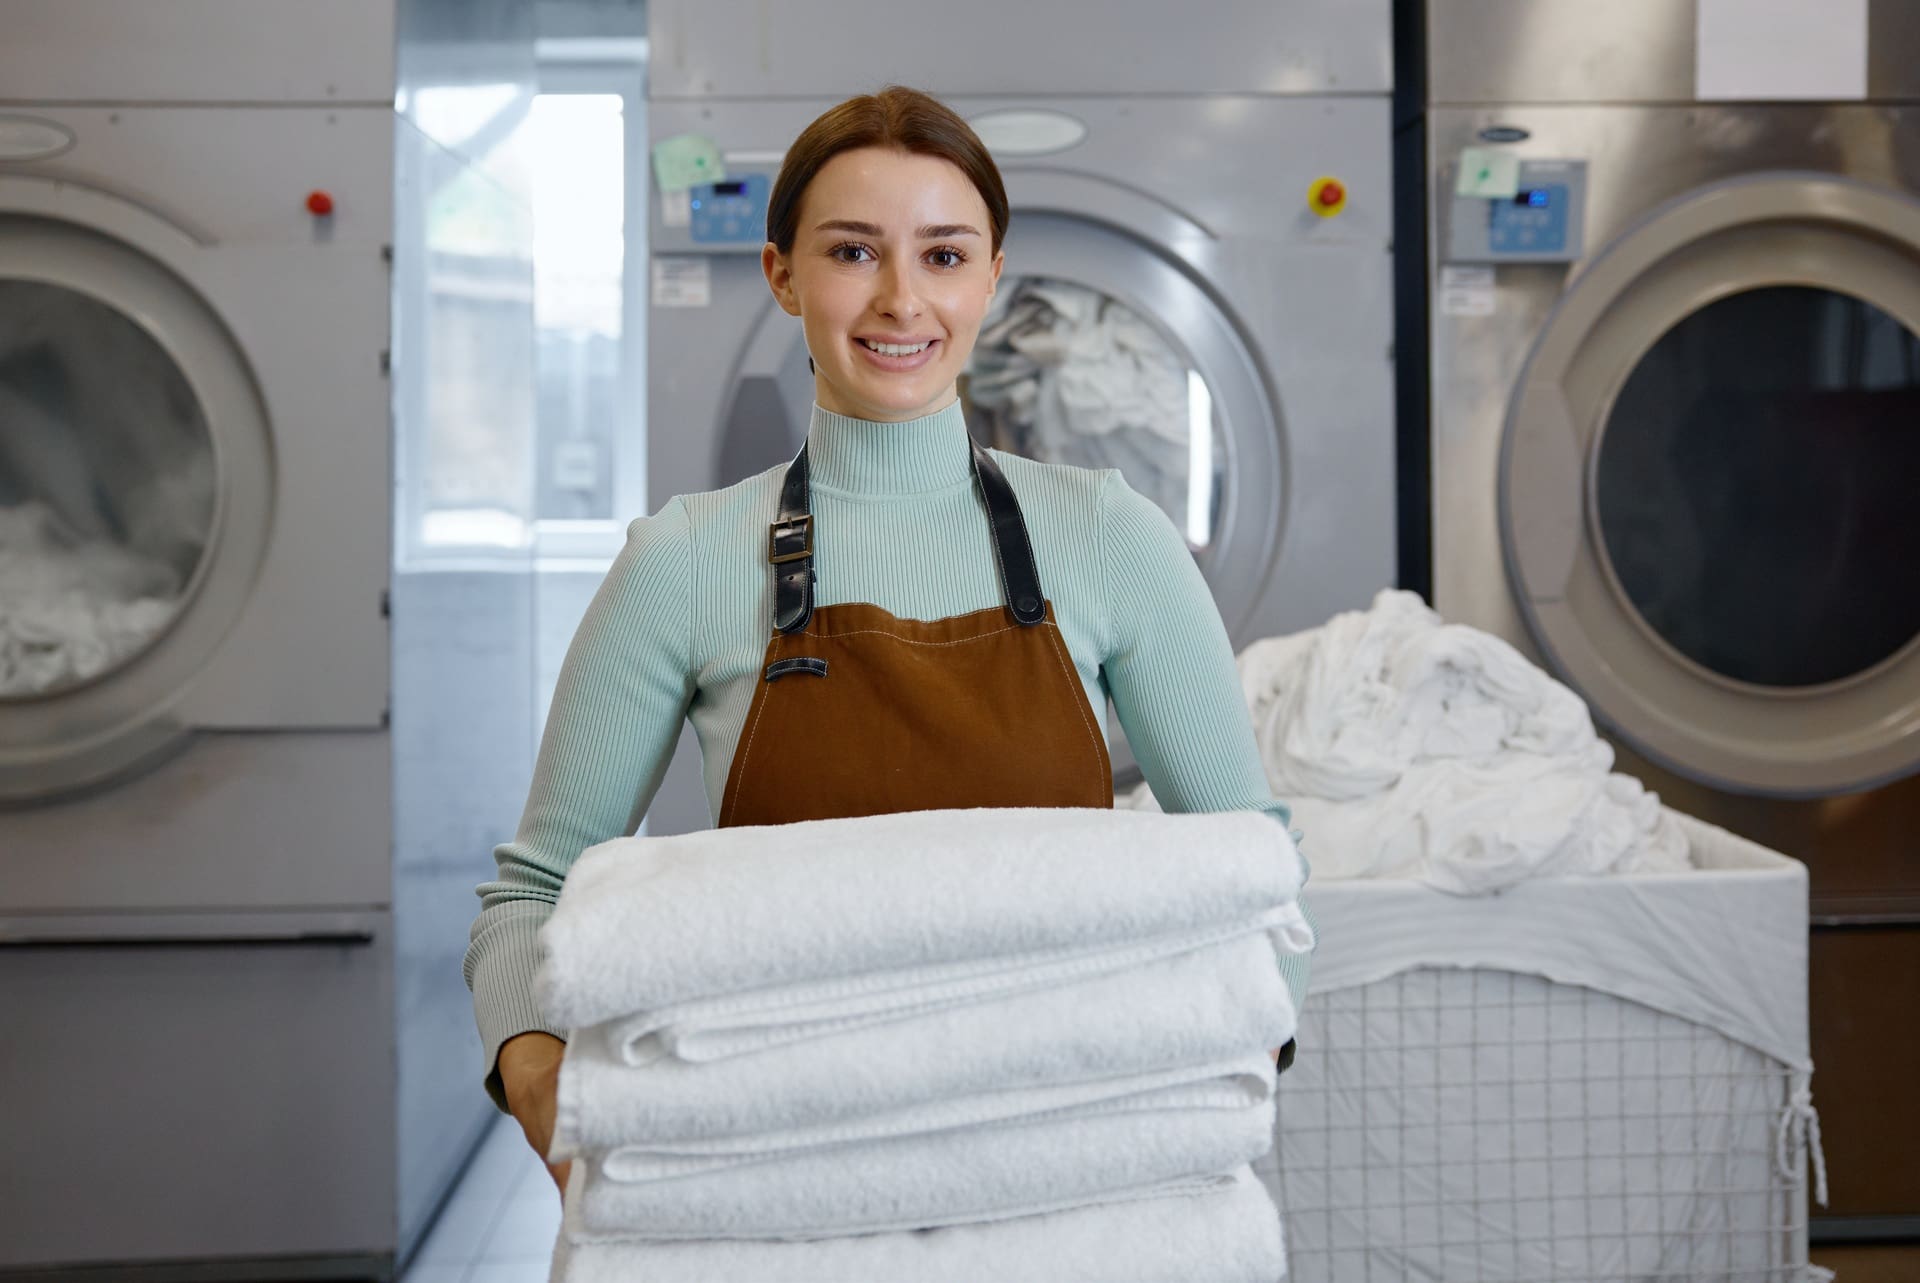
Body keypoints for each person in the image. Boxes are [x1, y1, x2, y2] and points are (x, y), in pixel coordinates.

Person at [465, 85, 1314, 1194]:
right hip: (779, 1165)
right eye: (854, 252)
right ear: (783, 275)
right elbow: (536, 890)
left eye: (946, 256)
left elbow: (1253, 868)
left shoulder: (1108, 539)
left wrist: (1237, 1055)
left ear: (994, 276)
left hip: (1061, 1161)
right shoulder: (685, 559)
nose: (903, 300)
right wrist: (542, 1087)